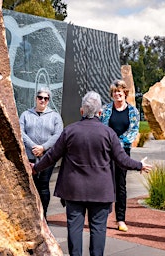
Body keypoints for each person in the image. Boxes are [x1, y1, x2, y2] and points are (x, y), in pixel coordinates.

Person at [32, 91, 152, 256]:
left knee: (74, 228)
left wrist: (35, 168)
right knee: (98, 230)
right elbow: (122, 159)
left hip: (74, 191)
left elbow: (52, 156)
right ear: (100, 113)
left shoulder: (69, 131)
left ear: (82, 111)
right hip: (100, 191)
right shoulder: (108, 133)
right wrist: (139, 165)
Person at [100, 79, 140, 232]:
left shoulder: (133, 112)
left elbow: (133, 131)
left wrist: (116, 143)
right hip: (106, 152)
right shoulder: (105, 110)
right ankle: (102, 217)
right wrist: (109, 144)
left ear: (125, 93)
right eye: (115, 91)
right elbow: (102, 128)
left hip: (123, 152)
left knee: (120, 185)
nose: (117, 93)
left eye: (120, 91)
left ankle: (120, 219)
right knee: (105, 184)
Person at [19, 87, 63, 219]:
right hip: (30, 156)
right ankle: (31, 217)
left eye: (46, 98)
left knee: (43, 185)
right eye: (40, 98)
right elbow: (20, 131)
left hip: (47, 157)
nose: (42, 100)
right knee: (30, 186)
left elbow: (58, 134)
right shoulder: (26, 114)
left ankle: (43, 217)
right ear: (36, 98)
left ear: (48, 100)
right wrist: (33, 146)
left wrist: (43, 147)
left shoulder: (55, 116)